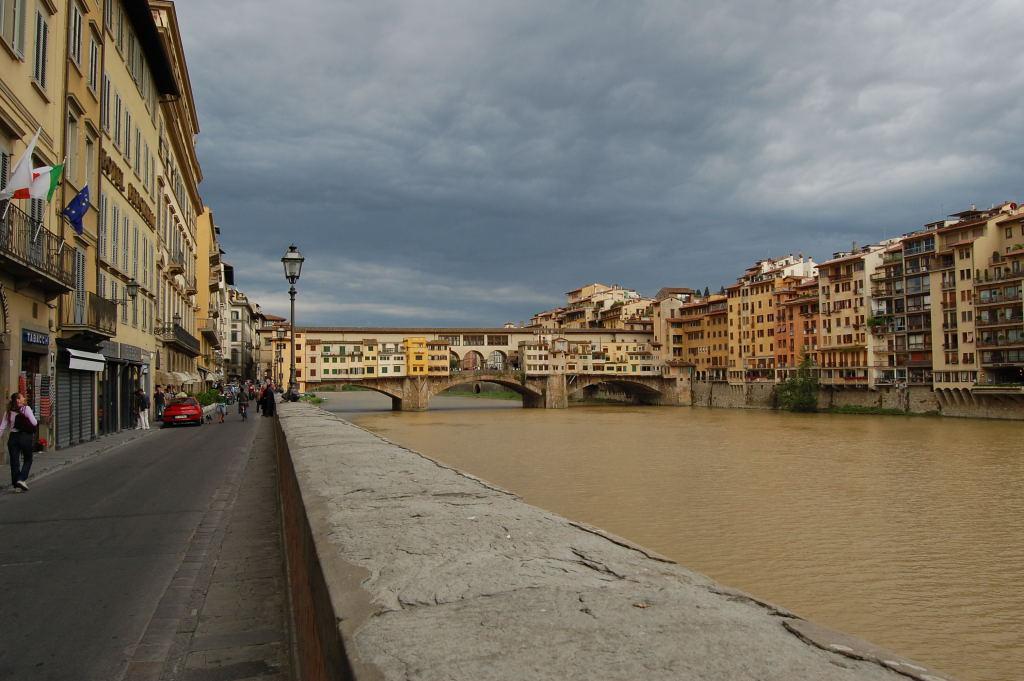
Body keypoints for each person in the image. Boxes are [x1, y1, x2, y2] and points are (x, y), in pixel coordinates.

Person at [1, 392, 38, 492]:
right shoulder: (26, 409)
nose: (24, 398)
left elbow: (2, 427)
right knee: (28, 459)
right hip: (24, 437)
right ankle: (21, 479)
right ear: (18, 400)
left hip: (13, 438)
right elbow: (34, 422)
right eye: (22, 397)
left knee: (14, 462)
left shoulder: (8, 412)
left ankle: (17, 486)